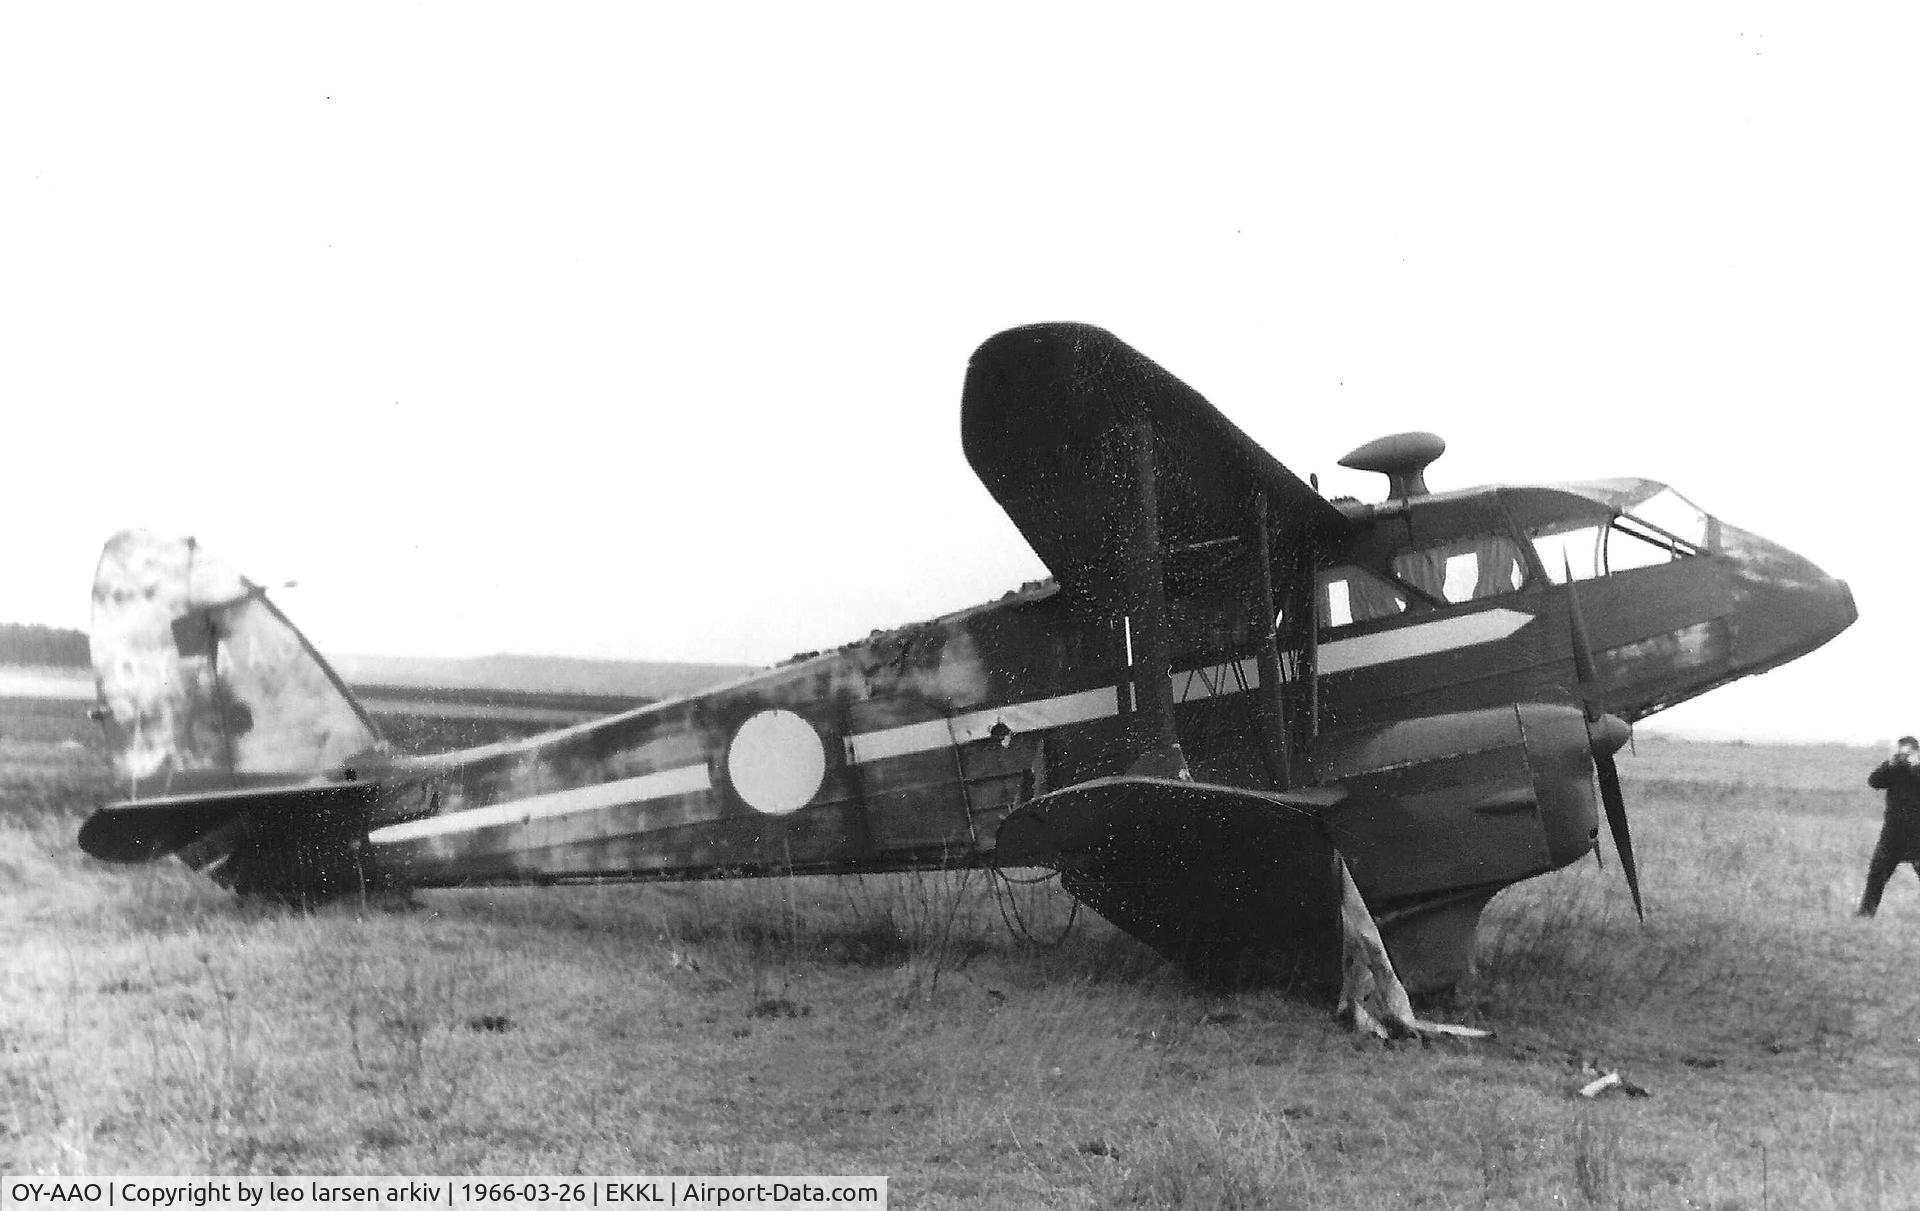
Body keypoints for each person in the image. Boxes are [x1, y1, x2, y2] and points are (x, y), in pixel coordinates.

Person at [1858, 735, 1920, 917]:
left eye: (1909, 751)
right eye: (1901, 750)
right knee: (1876, 877)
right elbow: (1874, 781)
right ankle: (1864, 917)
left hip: (1918, 837)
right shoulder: (1894, 769)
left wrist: (1916, 767)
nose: (1904, 755)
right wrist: (1890, 764)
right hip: (1892, 836)